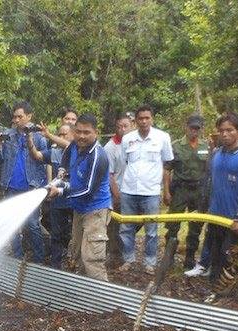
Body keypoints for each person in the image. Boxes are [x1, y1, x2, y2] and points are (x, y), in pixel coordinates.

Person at [48, 113, 112, 280]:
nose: (81, 136)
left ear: (96, 132)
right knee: (78, 252)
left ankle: (104, 300)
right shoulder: (74, 145)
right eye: (78, 132)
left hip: (95, 210)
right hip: (79, 208)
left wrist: (60, 191)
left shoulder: (99, 156)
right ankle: (86, 294)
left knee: (92, 258)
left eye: (87, 132)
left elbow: (88, 190)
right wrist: (61, 173)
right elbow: (66, 156)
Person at [205, 113, 238, 293]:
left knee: (231, 257)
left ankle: (232, 292)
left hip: (234, 219)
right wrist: (202, 210)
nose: (224, 134)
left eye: (229, 130)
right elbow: (209, 184)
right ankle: (213, 291)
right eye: (221, 131)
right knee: (215, 255)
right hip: (215, 216)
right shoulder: (215, 155)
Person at [119, 104, 174, 273]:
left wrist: (165, 189)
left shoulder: (162, 138)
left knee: (151, 230)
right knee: (126, 228)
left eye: (147, 118)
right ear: (135, 120)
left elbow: (167, 162)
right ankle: (128, 260)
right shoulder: (127, 139)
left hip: (150, 191)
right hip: (128, 190)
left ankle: (149, 262)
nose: (143, 121)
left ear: (152, 119)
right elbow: (125, 162)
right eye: (140, 118)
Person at [0, 101, 49, 262]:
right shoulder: (9, 135)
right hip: (11, 186)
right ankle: (17, 258)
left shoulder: (39, 137)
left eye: (20, 116)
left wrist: (39, 185)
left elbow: (43, 162)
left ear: (29, 116)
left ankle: (38, 259)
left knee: (33, 224)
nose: (17, 120)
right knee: (12, 225)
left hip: (30, 187)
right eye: (15, 117)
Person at [164, 114, 208, 271]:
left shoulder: (206, 147)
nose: (194, 131)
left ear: (201, 130)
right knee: (173, 224)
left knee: (196, 225)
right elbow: (167, 169)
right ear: (186, 127)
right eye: (192, 128)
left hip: (198, 190)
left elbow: (208, 171)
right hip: (180, 189)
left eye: (197, 128)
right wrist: (167, 191)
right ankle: (169, 257)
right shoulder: (176, 146)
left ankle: (190, 258)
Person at [104, 112, 134, 266]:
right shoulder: (110, 147)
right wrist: (115, 194)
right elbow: (109, 174)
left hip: (135, 192)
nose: (123, 130)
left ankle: (127, 254)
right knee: (115, 226)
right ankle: (114, 255)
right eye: (119, 127)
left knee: (132, 225)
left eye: (126, 126)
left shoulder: (135, 144)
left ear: (132, 126)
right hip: (117, 192)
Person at [45, 124, 75, 267]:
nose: (61, 138)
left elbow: (68, 145)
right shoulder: (56, 153)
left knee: (77, 234)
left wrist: (49, 135)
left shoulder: (77, 150)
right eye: (59, 134)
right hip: (58, 201)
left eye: (65, 134)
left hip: (74, 200)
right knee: (56, 234)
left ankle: (75, 263)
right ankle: (55, 266)